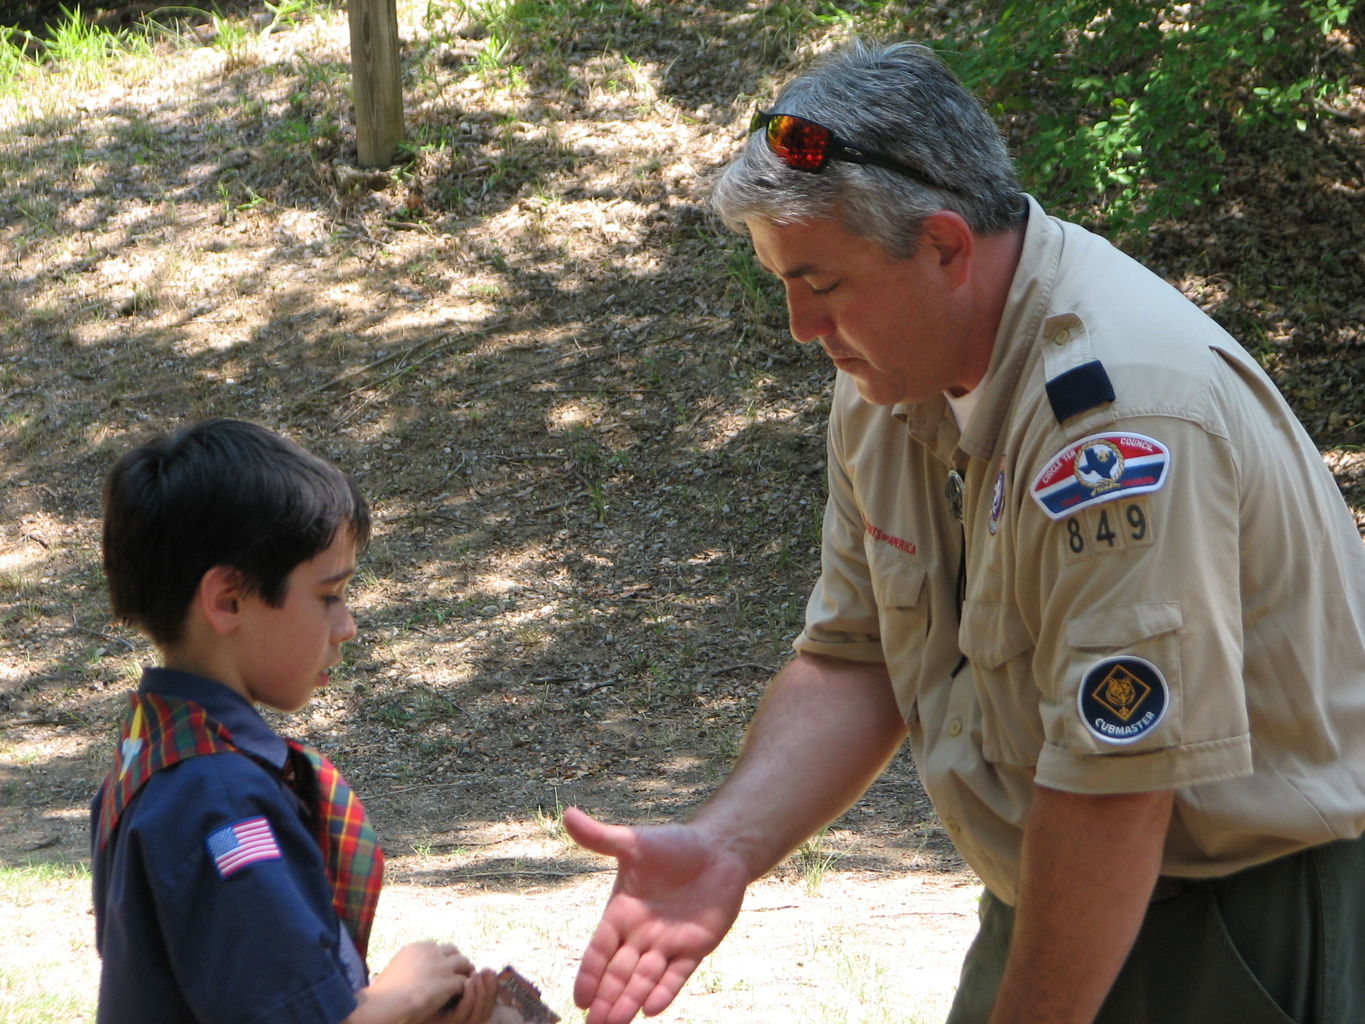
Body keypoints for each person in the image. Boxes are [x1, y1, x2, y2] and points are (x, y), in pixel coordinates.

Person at [564, 39, 1365, 1024]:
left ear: (944, 245)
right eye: (782, 282)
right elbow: (856, 657)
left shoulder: (1119, 416)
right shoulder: (888, 380)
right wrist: (728, 842)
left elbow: (1116, 788)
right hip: (1060, 885)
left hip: (1237, 918)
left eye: (820, 282)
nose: (799, 328)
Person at [92, 418, 508, 1024]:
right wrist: (399, 997)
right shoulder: (220, 799)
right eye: (329, 595)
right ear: (228, 600)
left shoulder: (149, 757)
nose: (346, 627)